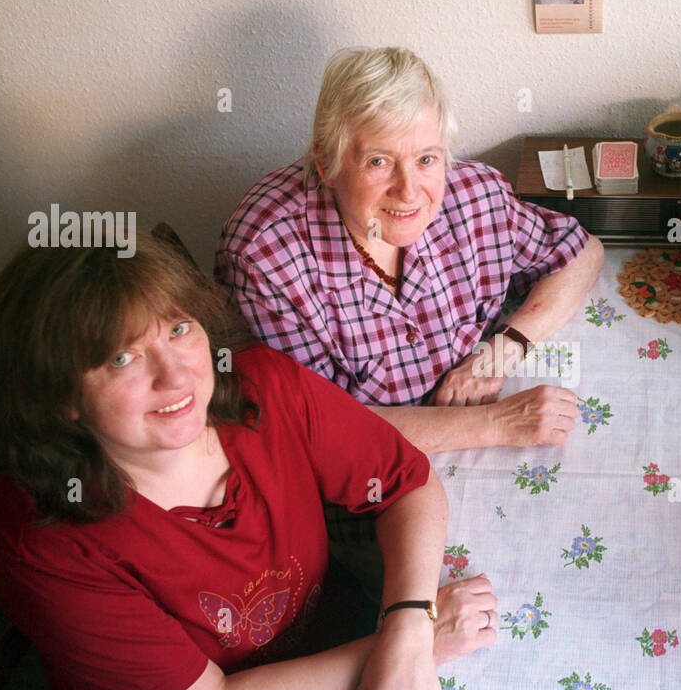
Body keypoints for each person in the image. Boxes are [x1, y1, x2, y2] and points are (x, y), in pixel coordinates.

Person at [0, 233, 498, 690]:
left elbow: (406, 482)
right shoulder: (46, 543)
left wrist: (408, 621)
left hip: (338, 650)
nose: (176, 377)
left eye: (178, 329)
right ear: (58, 396)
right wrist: (417, 640)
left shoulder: (263, 386)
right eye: (121, 358)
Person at [215, 46, 603, 455]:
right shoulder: (265, 257)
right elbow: (313, 428)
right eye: (379, 161)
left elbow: (582, 253)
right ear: (326, 162)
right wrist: (495, 423)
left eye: (426, 159)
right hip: (361, 480)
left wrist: (499, 353)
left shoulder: (473, 194)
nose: (409, 190)